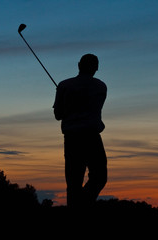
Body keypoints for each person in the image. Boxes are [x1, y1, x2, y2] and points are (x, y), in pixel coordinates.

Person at [53, 54, 107, 208]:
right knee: (99, 177)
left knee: (73, 182)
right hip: (92, 138)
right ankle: (82, 205)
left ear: (78, 65)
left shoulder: (64, 85)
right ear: (96, 68)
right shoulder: (101, 86)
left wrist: (64, 97)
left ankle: (78, 206)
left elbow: (58, 115)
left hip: (72, 139)